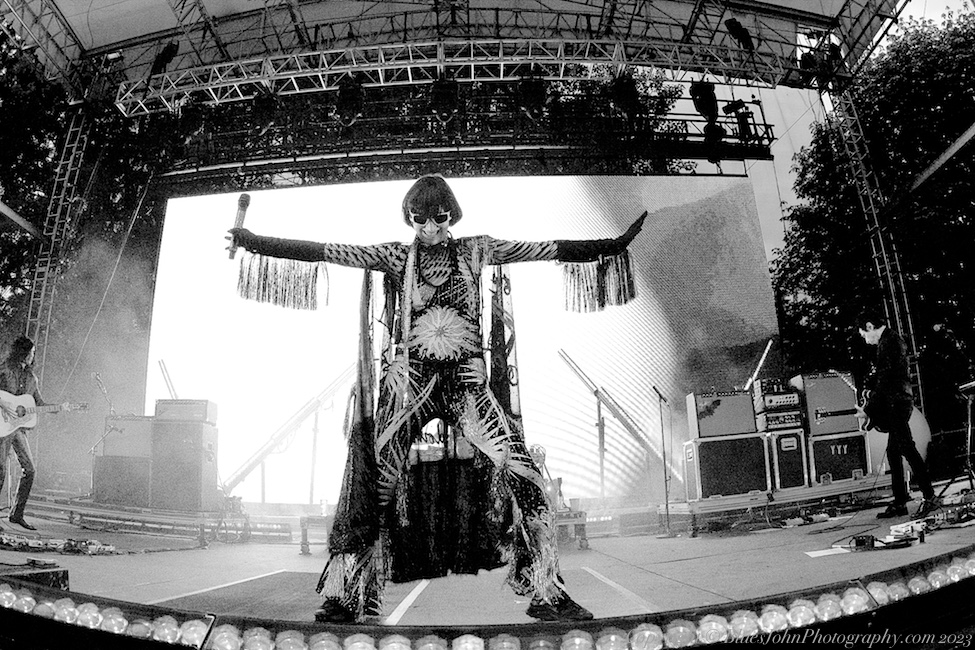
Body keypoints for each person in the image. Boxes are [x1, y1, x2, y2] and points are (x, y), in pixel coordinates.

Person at [230, 174, 645, 623]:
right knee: (373, 486)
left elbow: (546, 248)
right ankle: (348, 596)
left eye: (438, 218)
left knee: (525, 476)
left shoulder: (477, 250)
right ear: (409, 218)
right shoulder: (394, 256)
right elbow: (326, 249)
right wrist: (255, 242)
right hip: (409, 385)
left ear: (452, 216)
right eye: (419, 219)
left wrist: (612, 244)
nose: (429, 228)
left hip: (467, 384)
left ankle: (548, 591)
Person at [855, 308, 938, 519]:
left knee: (907, 448)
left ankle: (930, 497)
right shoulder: (890, 340)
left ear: (870, 327)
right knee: (893, 451)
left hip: (897, 403)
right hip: (898, 401)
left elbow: (885, 380)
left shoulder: (889, 342)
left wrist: (868, 409)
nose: (865, 340)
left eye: (864, 334)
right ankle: (901, 500)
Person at [0, 336, 45, 531]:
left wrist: (60, 407)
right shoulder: (4, 370)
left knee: (30, 470)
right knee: (0, 470)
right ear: (24, 352)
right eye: (32, 352)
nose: (33, 356)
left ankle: (17, 514)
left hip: (18, 428)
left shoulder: (32, 379)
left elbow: (38, 403)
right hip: (2, 425)